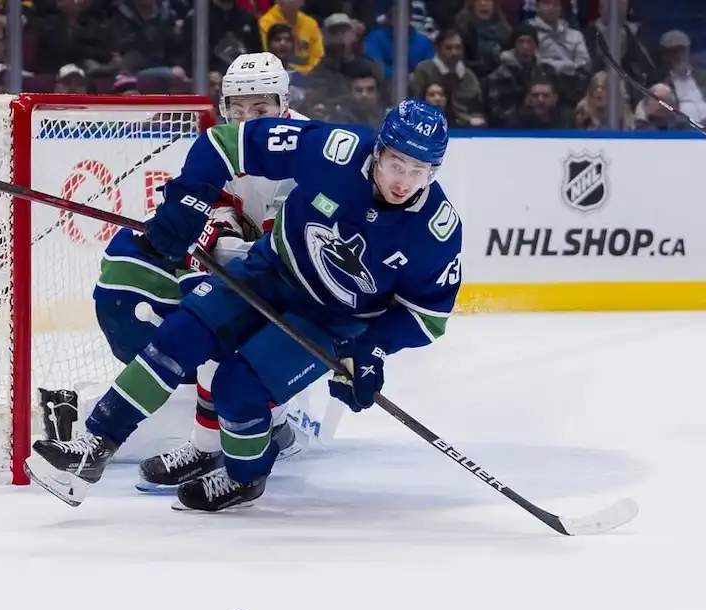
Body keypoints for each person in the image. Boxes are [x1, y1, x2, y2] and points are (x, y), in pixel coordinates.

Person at [27, 98, 463, 512]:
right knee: (180, 336)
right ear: (379, 151)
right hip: (271, 271)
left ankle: (243, 478)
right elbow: (226, 143)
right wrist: (187, 202)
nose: (403, 180)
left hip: (333, 320)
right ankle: (92, 447)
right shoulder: (334, 150)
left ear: (434, 170)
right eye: (396, 164)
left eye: (419, 170)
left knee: (237, 391)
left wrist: (372, 347)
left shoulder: (437, 231)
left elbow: (426, 316)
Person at [40, 53, 310, 494]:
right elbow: (214, 197)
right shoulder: (222, 142)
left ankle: (231, 438)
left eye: (260, 110)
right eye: (236, 110)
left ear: (283, 105)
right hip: (251, 264)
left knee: (214, 334)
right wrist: (211, 224)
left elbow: (282, 250)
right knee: (194, 323)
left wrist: (229, 243)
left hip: (298, 284)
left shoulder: (301, 152)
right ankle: (250, 429)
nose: (247, 121)